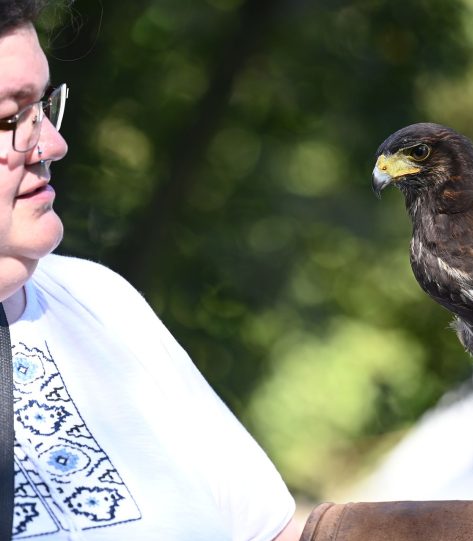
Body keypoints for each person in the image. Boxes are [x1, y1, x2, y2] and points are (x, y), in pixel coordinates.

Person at [1, 2, 301, 539]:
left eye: (44, 106)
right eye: (8, 118)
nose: (53, 144)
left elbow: (267, 533)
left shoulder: (100, 301)